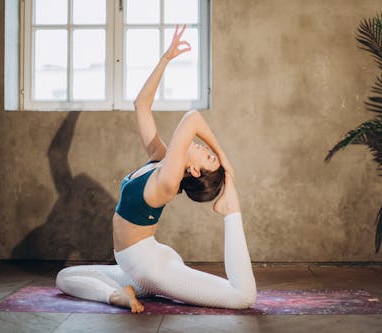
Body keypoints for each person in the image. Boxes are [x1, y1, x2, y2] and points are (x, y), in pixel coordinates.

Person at [56, 25, 257, 313]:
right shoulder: (160, 161)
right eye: (212, 153)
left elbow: (192, 118)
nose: (207, 149)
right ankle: (120, 293)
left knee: (242, 298)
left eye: (208, 157)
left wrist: (224, 157)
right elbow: (141, 106)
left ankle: (231, 209)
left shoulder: (168, 181)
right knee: (64, 277)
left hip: (152, 270)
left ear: (194, 172)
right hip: (136, 263)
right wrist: (166, 58)